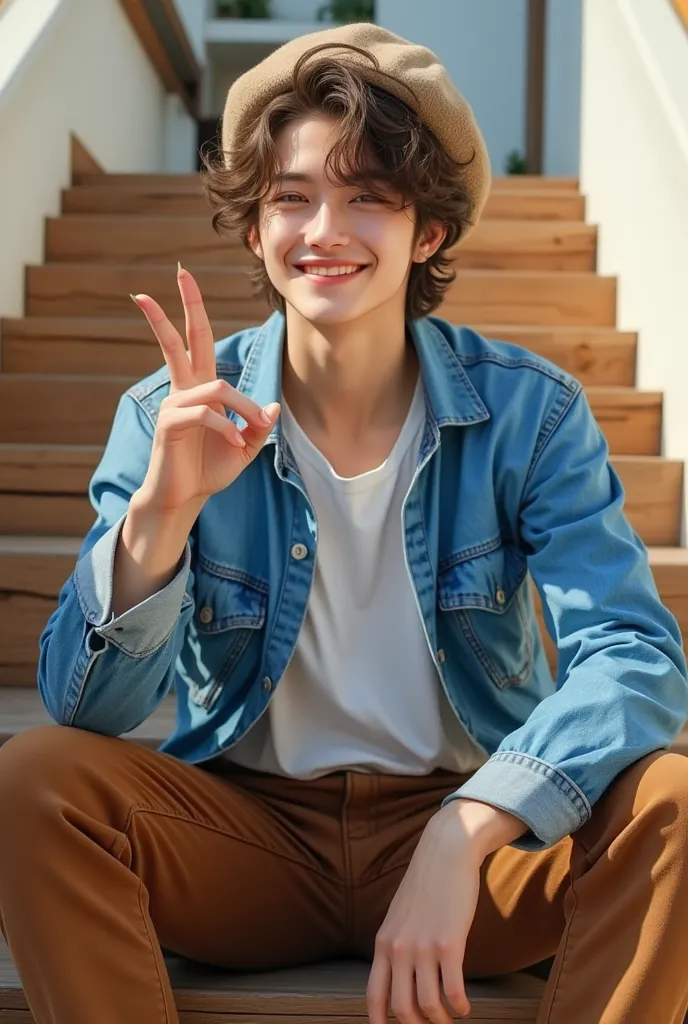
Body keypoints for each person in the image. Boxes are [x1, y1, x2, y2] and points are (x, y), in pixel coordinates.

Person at [1, 21, 688, 1024]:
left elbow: (633, 657)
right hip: (251, 838)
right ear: (254, 229)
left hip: (475, 834)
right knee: (31, 779)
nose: (324, 228)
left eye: (368, 196)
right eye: (293, 197)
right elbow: (87, 711)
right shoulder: (171, 413)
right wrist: (160, 518)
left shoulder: (531, 417)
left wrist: (466, 828)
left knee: (673, 798)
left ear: (429, 232)